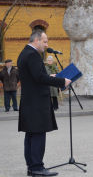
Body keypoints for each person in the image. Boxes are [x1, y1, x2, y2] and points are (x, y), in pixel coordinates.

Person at [17, 30, 71, 176]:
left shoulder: (24, 53)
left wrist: (50, 76)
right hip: (37, 102)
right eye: (45, 42)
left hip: (29, 100)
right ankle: (37, 168)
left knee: (31, 135)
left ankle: (32, 167)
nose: (46, 45)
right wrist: (61, 81)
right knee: (38, 135)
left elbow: (36, 76)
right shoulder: (32, 55)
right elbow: (39, 77)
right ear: (36, 41)